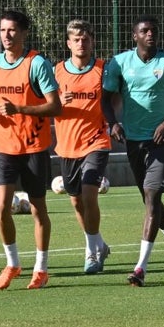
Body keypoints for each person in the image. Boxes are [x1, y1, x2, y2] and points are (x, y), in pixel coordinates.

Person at [103, 15, 164, 287]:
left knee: (153, 195)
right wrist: (113, 124)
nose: (150, 34)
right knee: (150, 201)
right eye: (144, 31)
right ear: (135, 36)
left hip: (162, 141)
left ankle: (140, 267)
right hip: (133, 140)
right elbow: (105, 100)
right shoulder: (120, 63)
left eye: (154, 30)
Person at [0, 9, 63, 290]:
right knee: (2, 207)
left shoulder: (37, 63)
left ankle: (41, 268)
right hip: (2, 145)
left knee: (38, 209)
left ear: (24, 33)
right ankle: (13, 263)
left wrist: (19, 108)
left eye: (12, 30)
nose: (6, 35)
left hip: (33, 146)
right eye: (3, 30)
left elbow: (55, 106)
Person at [53, 20, 113, 275]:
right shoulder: (56, 71)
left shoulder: (103, 69)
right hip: (67, 146)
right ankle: (100, 243)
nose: (81, 43)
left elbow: (115, 98)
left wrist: (113, 121)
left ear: (93, 41)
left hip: (96, 142)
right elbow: (45, 104)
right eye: (76, 39)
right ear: (68, 43)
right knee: (77, 202)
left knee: (89, 194)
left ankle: (91, 253)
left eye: (86, 38)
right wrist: (57, 100)